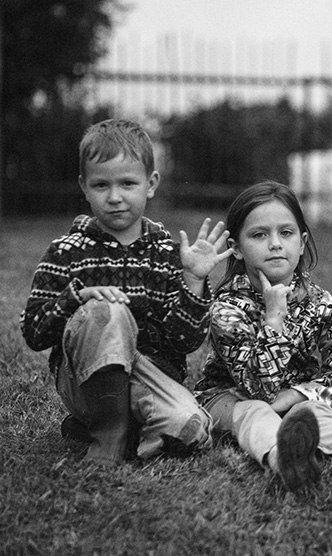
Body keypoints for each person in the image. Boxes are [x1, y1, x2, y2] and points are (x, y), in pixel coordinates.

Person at [20, 118, 230, 466]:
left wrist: (193, 278)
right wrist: (78, 299)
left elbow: (185, 342)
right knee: (108, 311)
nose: (115, 197)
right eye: (101, 185)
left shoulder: (166, 254)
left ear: (151, 184)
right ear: (83, 187)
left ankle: (102, 425)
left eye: (127, 183)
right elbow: (34, 333)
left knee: (192, 429)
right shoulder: (65, 252)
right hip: (85, 381)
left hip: (148, 378)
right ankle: (108, 436)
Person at [195, 181, 332, 494]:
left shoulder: (319, 302)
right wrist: (274, 319)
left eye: (286, 233)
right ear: (237, 247)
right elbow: (258, 388)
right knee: (255, 412)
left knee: (314, 411)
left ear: (301, 241)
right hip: (229, 397)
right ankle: (283, 459)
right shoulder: (227, 306)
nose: (275, 244)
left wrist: (300, 395)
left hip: (293, 396)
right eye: (259, 235)